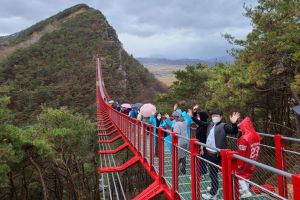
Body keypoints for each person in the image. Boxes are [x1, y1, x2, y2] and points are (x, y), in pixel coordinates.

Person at [194, 108, 240, 200]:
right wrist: (193, 114)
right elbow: (200, 123)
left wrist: (234, 123)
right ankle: (215, 189)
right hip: (209, 153)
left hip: (219, 154)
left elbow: (234, 131)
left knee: (220, 173)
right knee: (212, 173)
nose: (214, 117)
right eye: (213, 116)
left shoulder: (223, 126)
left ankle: (216, 193)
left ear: (221, 117)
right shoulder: (210, 124)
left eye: (217, 116)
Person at [236, 117, 261, 198]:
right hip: (253, 158)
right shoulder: (256, 135)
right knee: (248, 174)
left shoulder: (244, 138)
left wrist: (239, 163)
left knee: (240, 174)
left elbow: (241, 152)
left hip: (246, 158)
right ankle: (245, 189)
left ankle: (246, 191)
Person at [190, 105, 209, 175]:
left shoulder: (204, 126)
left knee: (202, 159)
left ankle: (202, 173)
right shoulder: (202, 124)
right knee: (201, 159)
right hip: (200, 145)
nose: (199, 117)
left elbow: (203, 137)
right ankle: (202, 171)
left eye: (200, 116)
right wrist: (194, 112)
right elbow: (197, 120)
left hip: (202, 145)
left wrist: (202, 148)